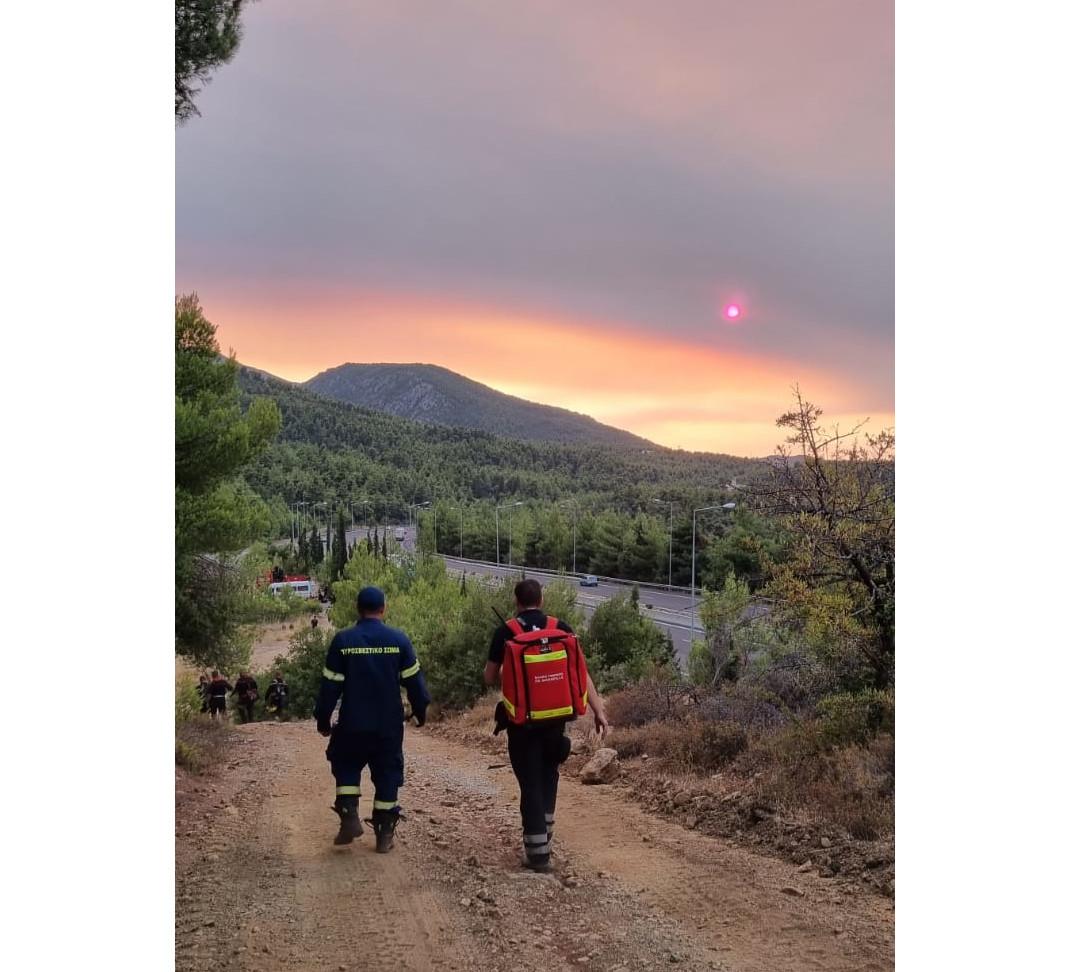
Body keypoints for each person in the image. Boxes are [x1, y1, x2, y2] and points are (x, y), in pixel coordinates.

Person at [485, 578, 609, 873]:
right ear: (541, 600)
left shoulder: (506, 631)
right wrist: (598, 711)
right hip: (556, 721)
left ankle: (538, 854)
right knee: (549, 775)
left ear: (517, 602)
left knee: (529, 783)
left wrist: (511, 673)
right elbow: (582, 674)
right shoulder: (561, 628)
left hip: (522, 726)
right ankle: (546, 837)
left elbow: (490, 677)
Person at [314, 586, 431, 852]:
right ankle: (384, 835)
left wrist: (322, 719)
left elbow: (330, 686)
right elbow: (415, 683)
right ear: (383, 608)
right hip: (388, 727)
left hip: (352, 723)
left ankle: (349, 817)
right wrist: (420, 710)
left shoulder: (343, 642)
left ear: (358, 609)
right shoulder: (399, 640)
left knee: (345, 765)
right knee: (388, 774)